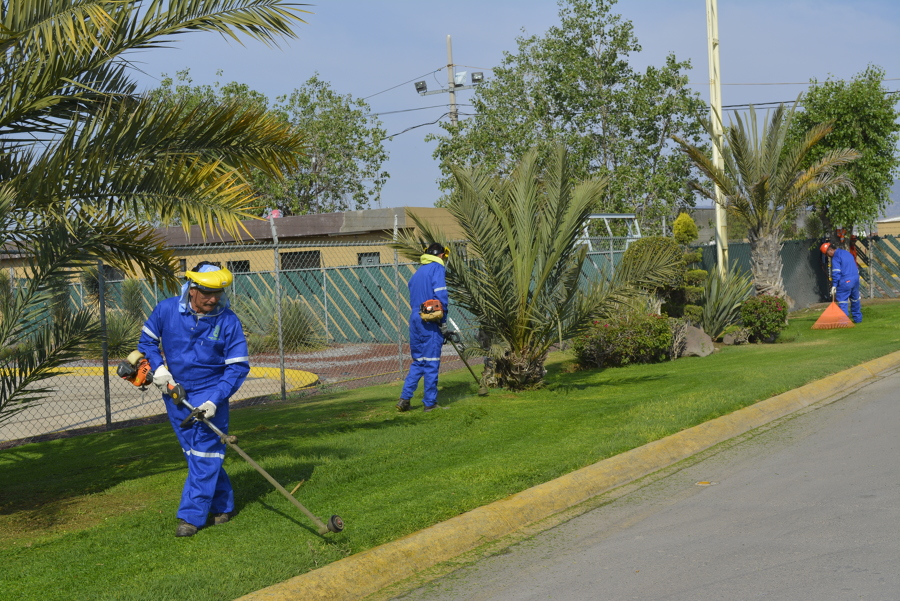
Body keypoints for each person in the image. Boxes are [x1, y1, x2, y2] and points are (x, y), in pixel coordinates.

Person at [138, 262, 250, 537]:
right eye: (208, 293)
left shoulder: (228, 321)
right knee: (196, 455)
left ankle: (191, 517)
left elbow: (237, 367)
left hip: (212, 393)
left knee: (205, 454)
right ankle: (223, 506)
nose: (214, 299)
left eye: (219, 293)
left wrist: (214, 400)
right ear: (192, 289)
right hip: (175, 393)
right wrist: (159, 368)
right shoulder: (165, 310)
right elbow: (147, 342)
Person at [397, 243, 450, 413]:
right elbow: (441, 296)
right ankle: (430, 404)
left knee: (419, 361)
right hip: (429, 320)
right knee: (431, 363)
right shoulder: (437, 268)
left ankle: (404, 399)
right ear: (442, 255)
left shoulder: (418, 272)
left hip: (415, 319)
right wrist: (443, 323)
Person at [820, 241, 862, 323]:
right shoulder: (846, 253)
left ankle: (843, 322)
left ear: (830, 250)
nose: (828, 256)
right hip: (855, 279)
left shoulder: (836, 257)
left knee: (842, 301)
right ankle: (858, 319)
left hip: (845, 281)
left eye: (827, 254)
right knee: (855, 300)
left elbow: (836, 272)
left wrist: (834, 285)